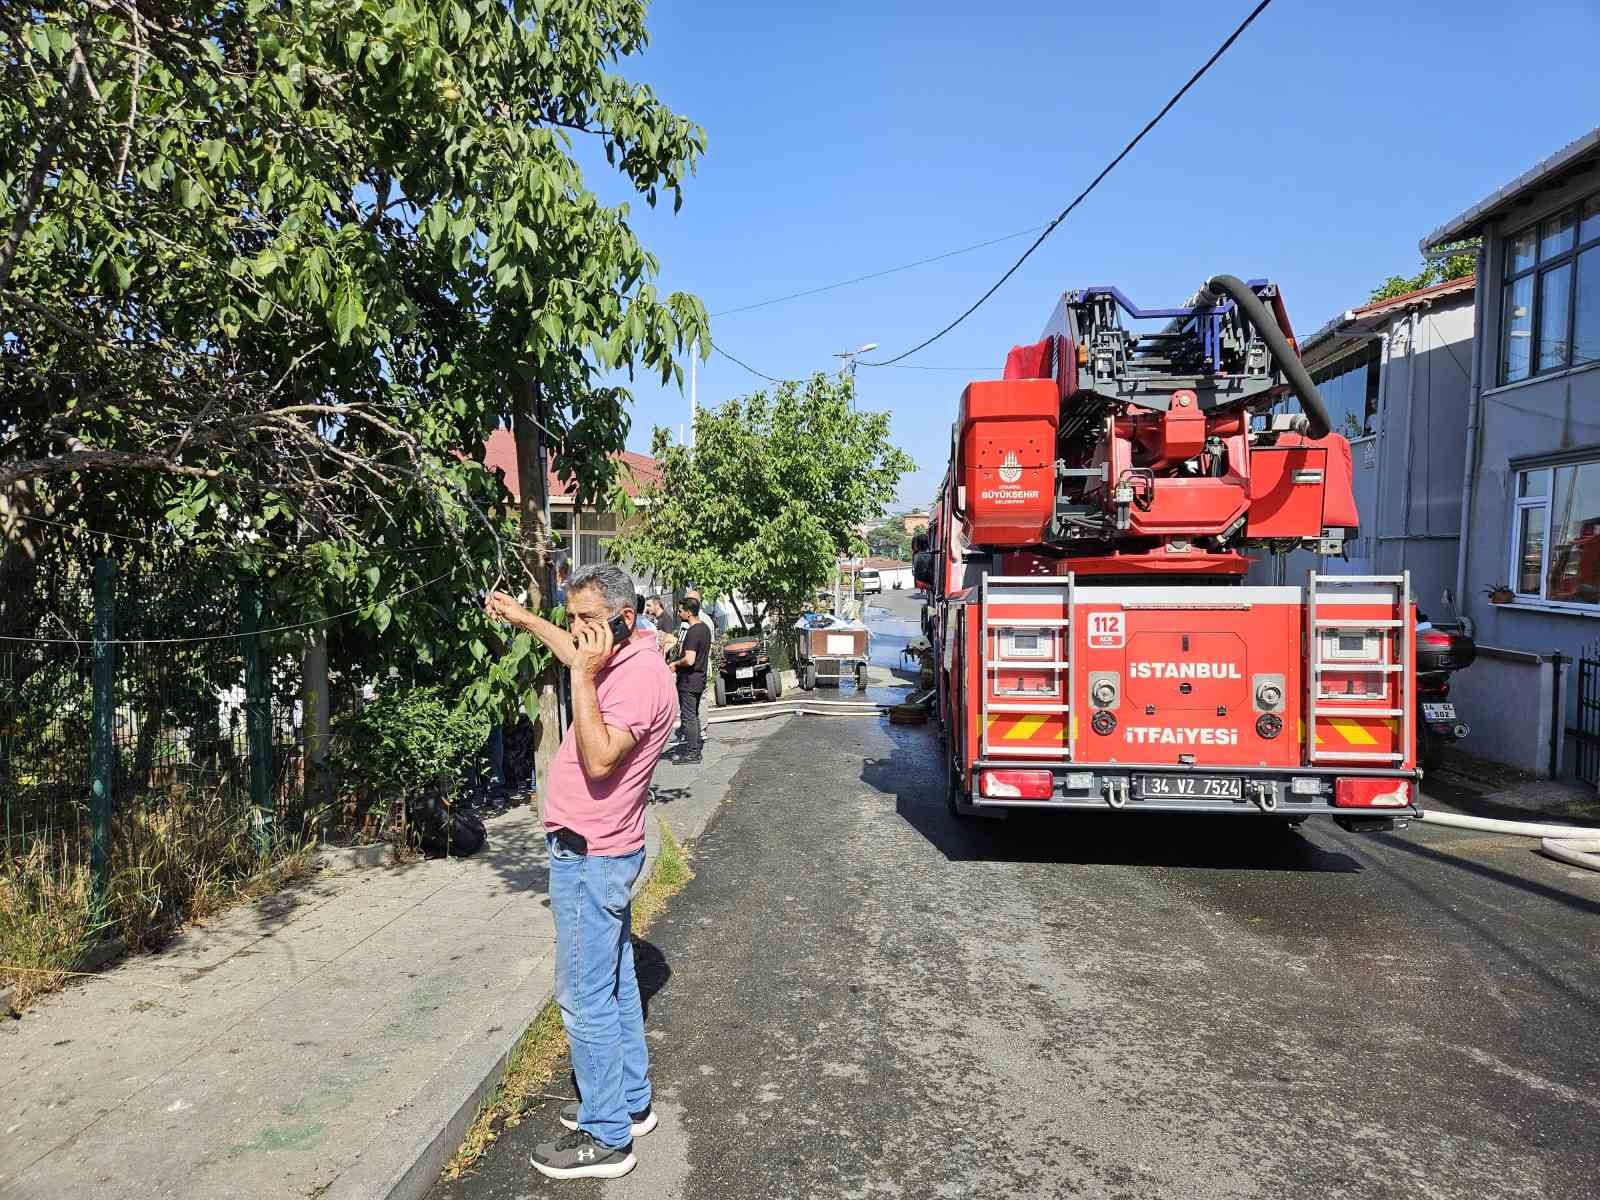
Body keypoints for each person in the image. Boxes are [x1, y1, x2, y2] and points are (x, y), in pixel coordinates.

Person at [484, 563, 676, 1181]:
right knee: (616, 981)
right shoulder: (622, 648)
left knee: (581, 996)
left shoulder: (636, 679)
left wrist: (582, 679)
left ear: (623, 620)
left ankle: (607, 1137)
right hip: (590, 848)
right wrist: (523, 617)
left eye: (587, 621)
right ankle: (629, 1102)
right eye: (573, 620)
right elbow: (574, 647)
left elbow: (598, 760)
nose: (577, 633)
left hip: (594, 856)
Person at [670, 596, 711, 764]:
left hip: (689, 681)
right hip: (699, 678)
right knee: (692, 715)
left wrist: (674, 663)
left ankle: (692, 753)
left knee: (688, 717)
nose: (678, 614)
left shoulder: (694, 632)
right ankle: (694, 750)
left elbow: (689, 659)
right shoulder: (705, 629)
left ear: (688, 612)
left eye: (680, 611)